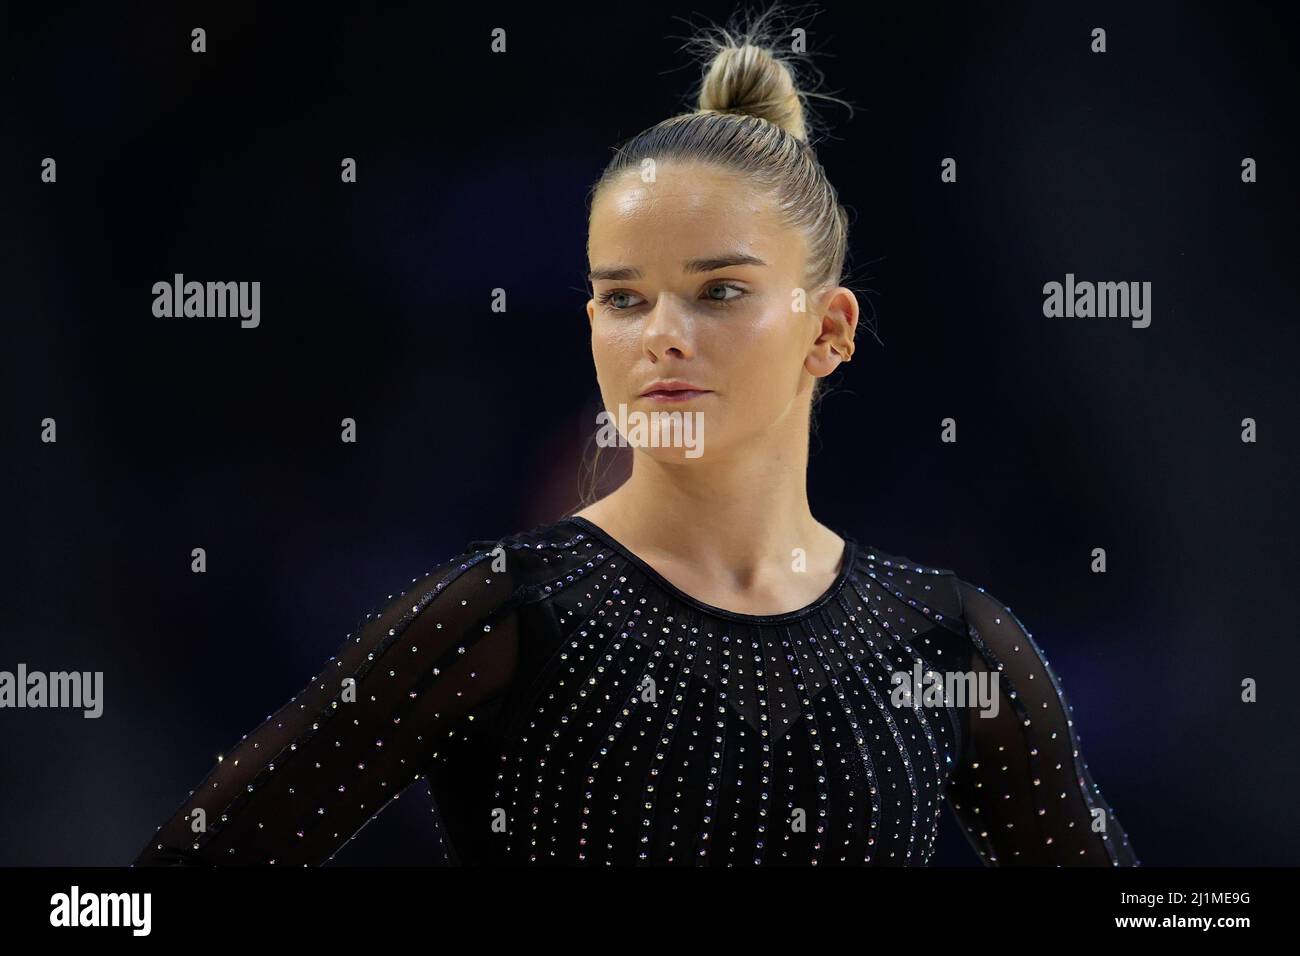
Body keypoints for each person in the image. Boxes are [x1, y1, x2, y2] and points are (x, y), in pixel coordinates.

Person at [133, 11, 1138, 868]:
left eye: (719, 293)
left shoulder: (944, 642)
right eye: (623, 296)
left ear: (826, 331)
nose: (663, 335)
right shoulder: (492, 620)